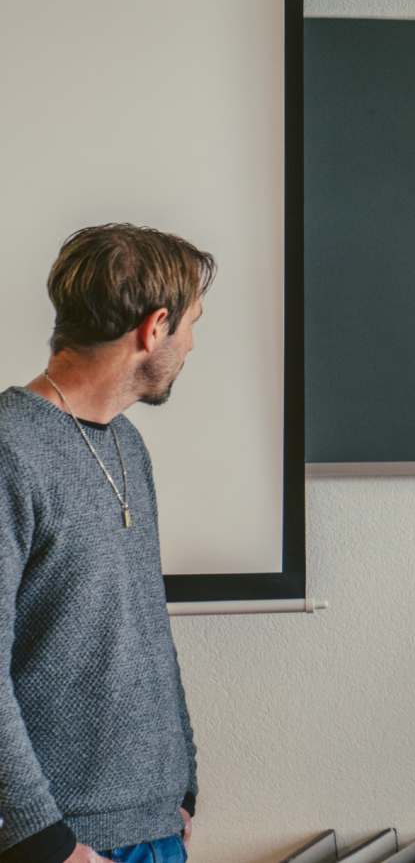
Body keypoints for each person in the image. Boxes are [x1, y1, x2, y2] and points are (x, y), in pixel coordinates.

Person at [0, 225, 212, 863]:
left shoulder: (128, 445)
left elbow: (141, 622)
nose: (193, 344)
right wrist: (42, 840)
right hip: (67, 844)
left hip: (154, 827)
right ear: (154, 328)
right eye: (191, 324)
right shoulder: (11, 451)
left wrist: (182, 785)